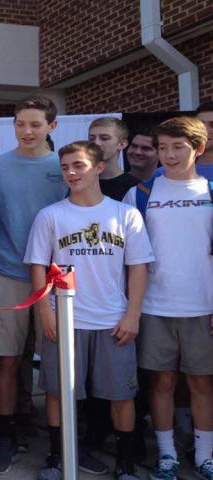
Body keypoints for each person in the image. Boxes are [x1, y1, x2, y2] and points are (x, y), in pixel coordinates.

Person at [25, 141, 154, 480]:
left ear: (98, 167)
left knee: (121, 394)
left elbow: (138, 268)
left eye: (78, 165)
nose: (71, 172)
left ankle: (125, 460)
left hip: (113, 320)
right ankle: (57, 456)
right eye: (65, 166)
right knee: (57, 392)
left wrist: (132, 315)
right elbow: (38, 267)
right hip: (65, 320)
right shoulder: (51, 215)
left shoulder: (124, 213)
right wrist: (45, 313)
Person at [0, 96, 69, 475]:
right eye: (19, 124)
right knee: (6, 360)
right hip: (7, 274)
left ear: (52, 126)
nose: (27, 131)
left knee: (56, 365)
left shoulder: (65, 167)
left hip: (56, 280)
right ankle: (6, 435)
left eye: (35, 124)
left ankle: (59, 442)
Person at [123, 117, 213, 480]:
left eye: (178, 147)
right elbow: (130, 259)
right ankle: (166, 456)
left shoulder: (209, 190)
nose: (169, 155)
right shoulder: (141, 194)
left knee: (202, 383)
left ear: (198, 149)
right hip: (154, 307)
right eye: (163, 148)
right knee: (160, 383)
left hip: (203, 307)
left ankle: (206, 456)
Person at [88, 117, 139, 200]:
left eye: (104, 138)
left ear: (122, 144)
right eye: (91, 138)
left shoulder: (135, 187)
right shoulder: (82, 182)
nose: (96, 143)